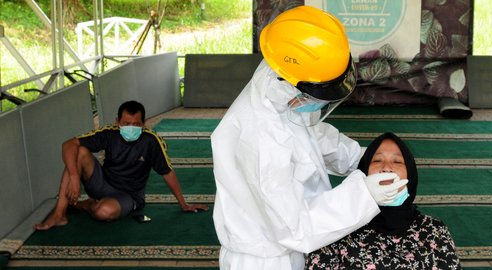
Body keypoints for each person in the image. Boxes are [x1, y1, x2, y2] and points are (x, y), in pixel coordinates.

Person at [210, 6, 408, 270]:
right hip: (268, 260)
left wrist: (365, 158)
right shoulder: (260, 138)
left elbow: (310, 135)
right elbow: (296, 228)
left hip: (290, 250)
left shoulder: (279, 92)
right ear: (289, 83)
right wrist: (365, 194)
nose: (315, 104)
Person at [35, 100, 208, 230]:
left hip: (128, 196)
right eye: (126, 123)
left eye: (136, 124)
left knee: (103, 213)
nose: (131, 127)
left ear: (144, 123)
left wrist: (183, 204)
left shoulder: (151, 141)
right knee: (79, 152)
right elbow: (68, 144)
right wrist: (74, 176)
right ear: (118, 122)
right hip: (102, 183)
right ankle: (59, 215)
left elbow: (167, 173)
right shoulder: (109, 134)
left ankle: (85, 205)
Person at [305, 132, 461, 270]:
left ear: (411, 175)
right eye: (377, 161)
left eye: (398, 162)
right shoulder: (337, 227)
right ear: (363, 172)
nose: (386, 168)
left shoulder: (434, 230)